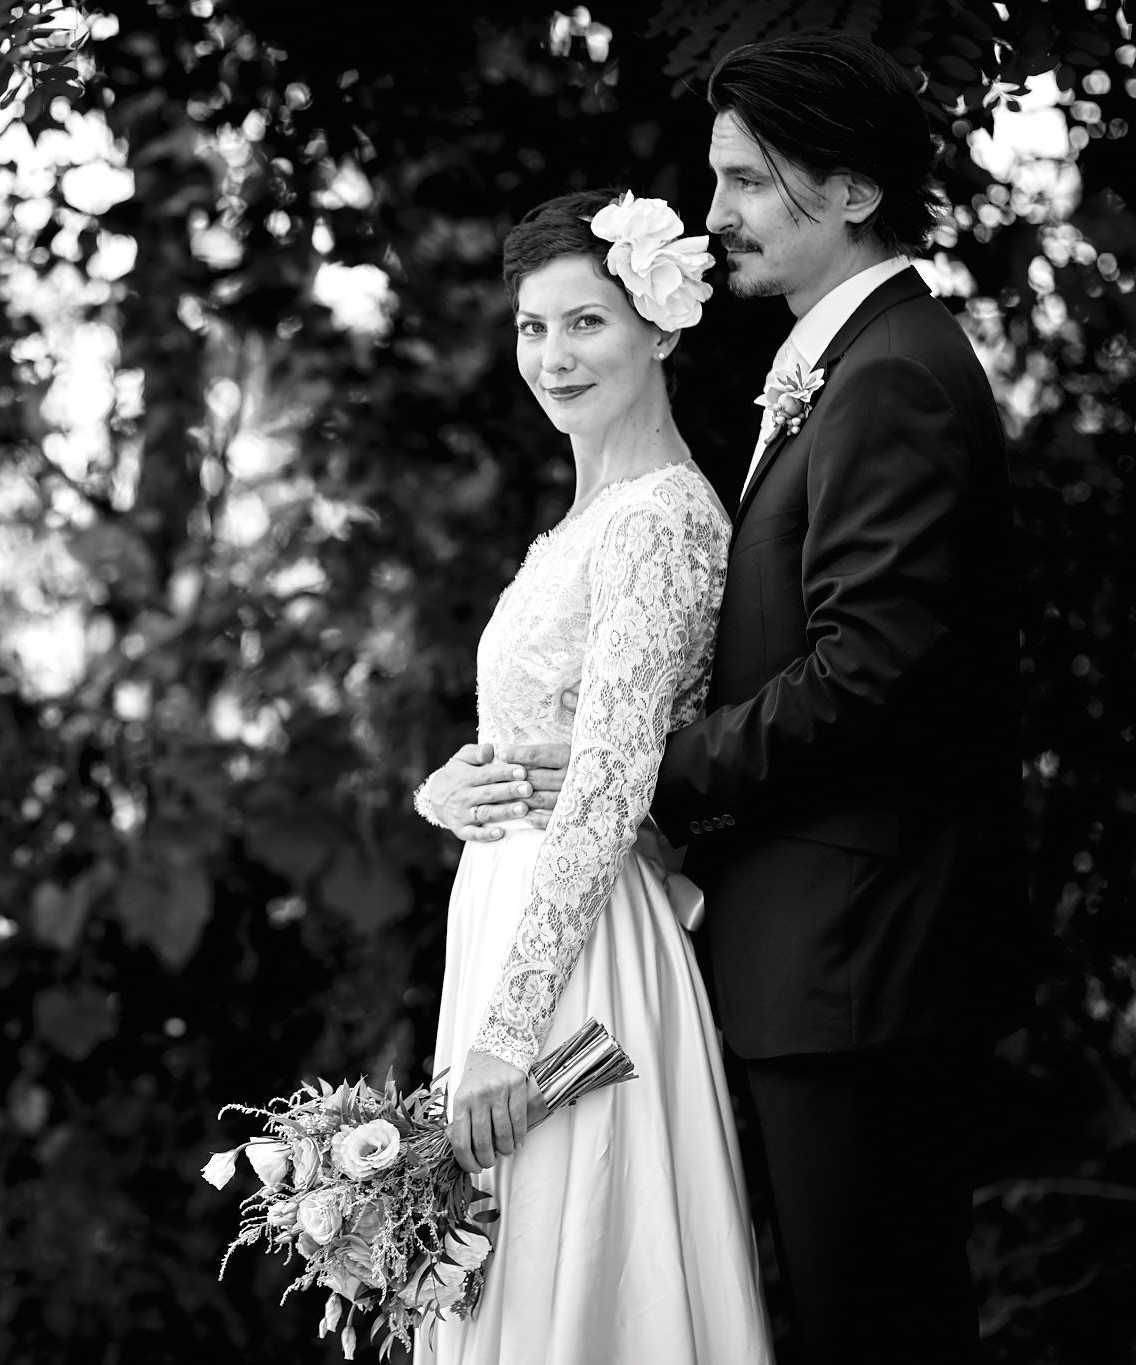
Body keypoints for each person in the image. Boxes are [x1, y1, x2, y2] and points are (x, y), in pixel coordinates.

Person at [448, 32, 1022, 1365]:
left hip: (862, 960)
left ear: (854, 190)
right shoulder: (843, 367)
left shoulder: (893, 374)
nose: (716, 215)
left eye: (751, 181)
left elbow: (870, 675)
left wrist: (642, 774)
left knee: (878, 1325)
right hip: (813, 958)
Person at [409, 187, 772, 1365]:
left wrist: (509, 1033)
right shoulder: (584, 521)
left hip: (576, 963)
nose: (551, 357)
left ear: (658, 328)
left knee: (564, 1279)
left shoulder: (656, 521)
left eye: (585, 322)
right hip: (513, 927)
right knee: (505, 1283)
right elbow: (543, 739)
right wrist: (448, 792)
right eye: (532, 327)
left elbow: (614, 791)